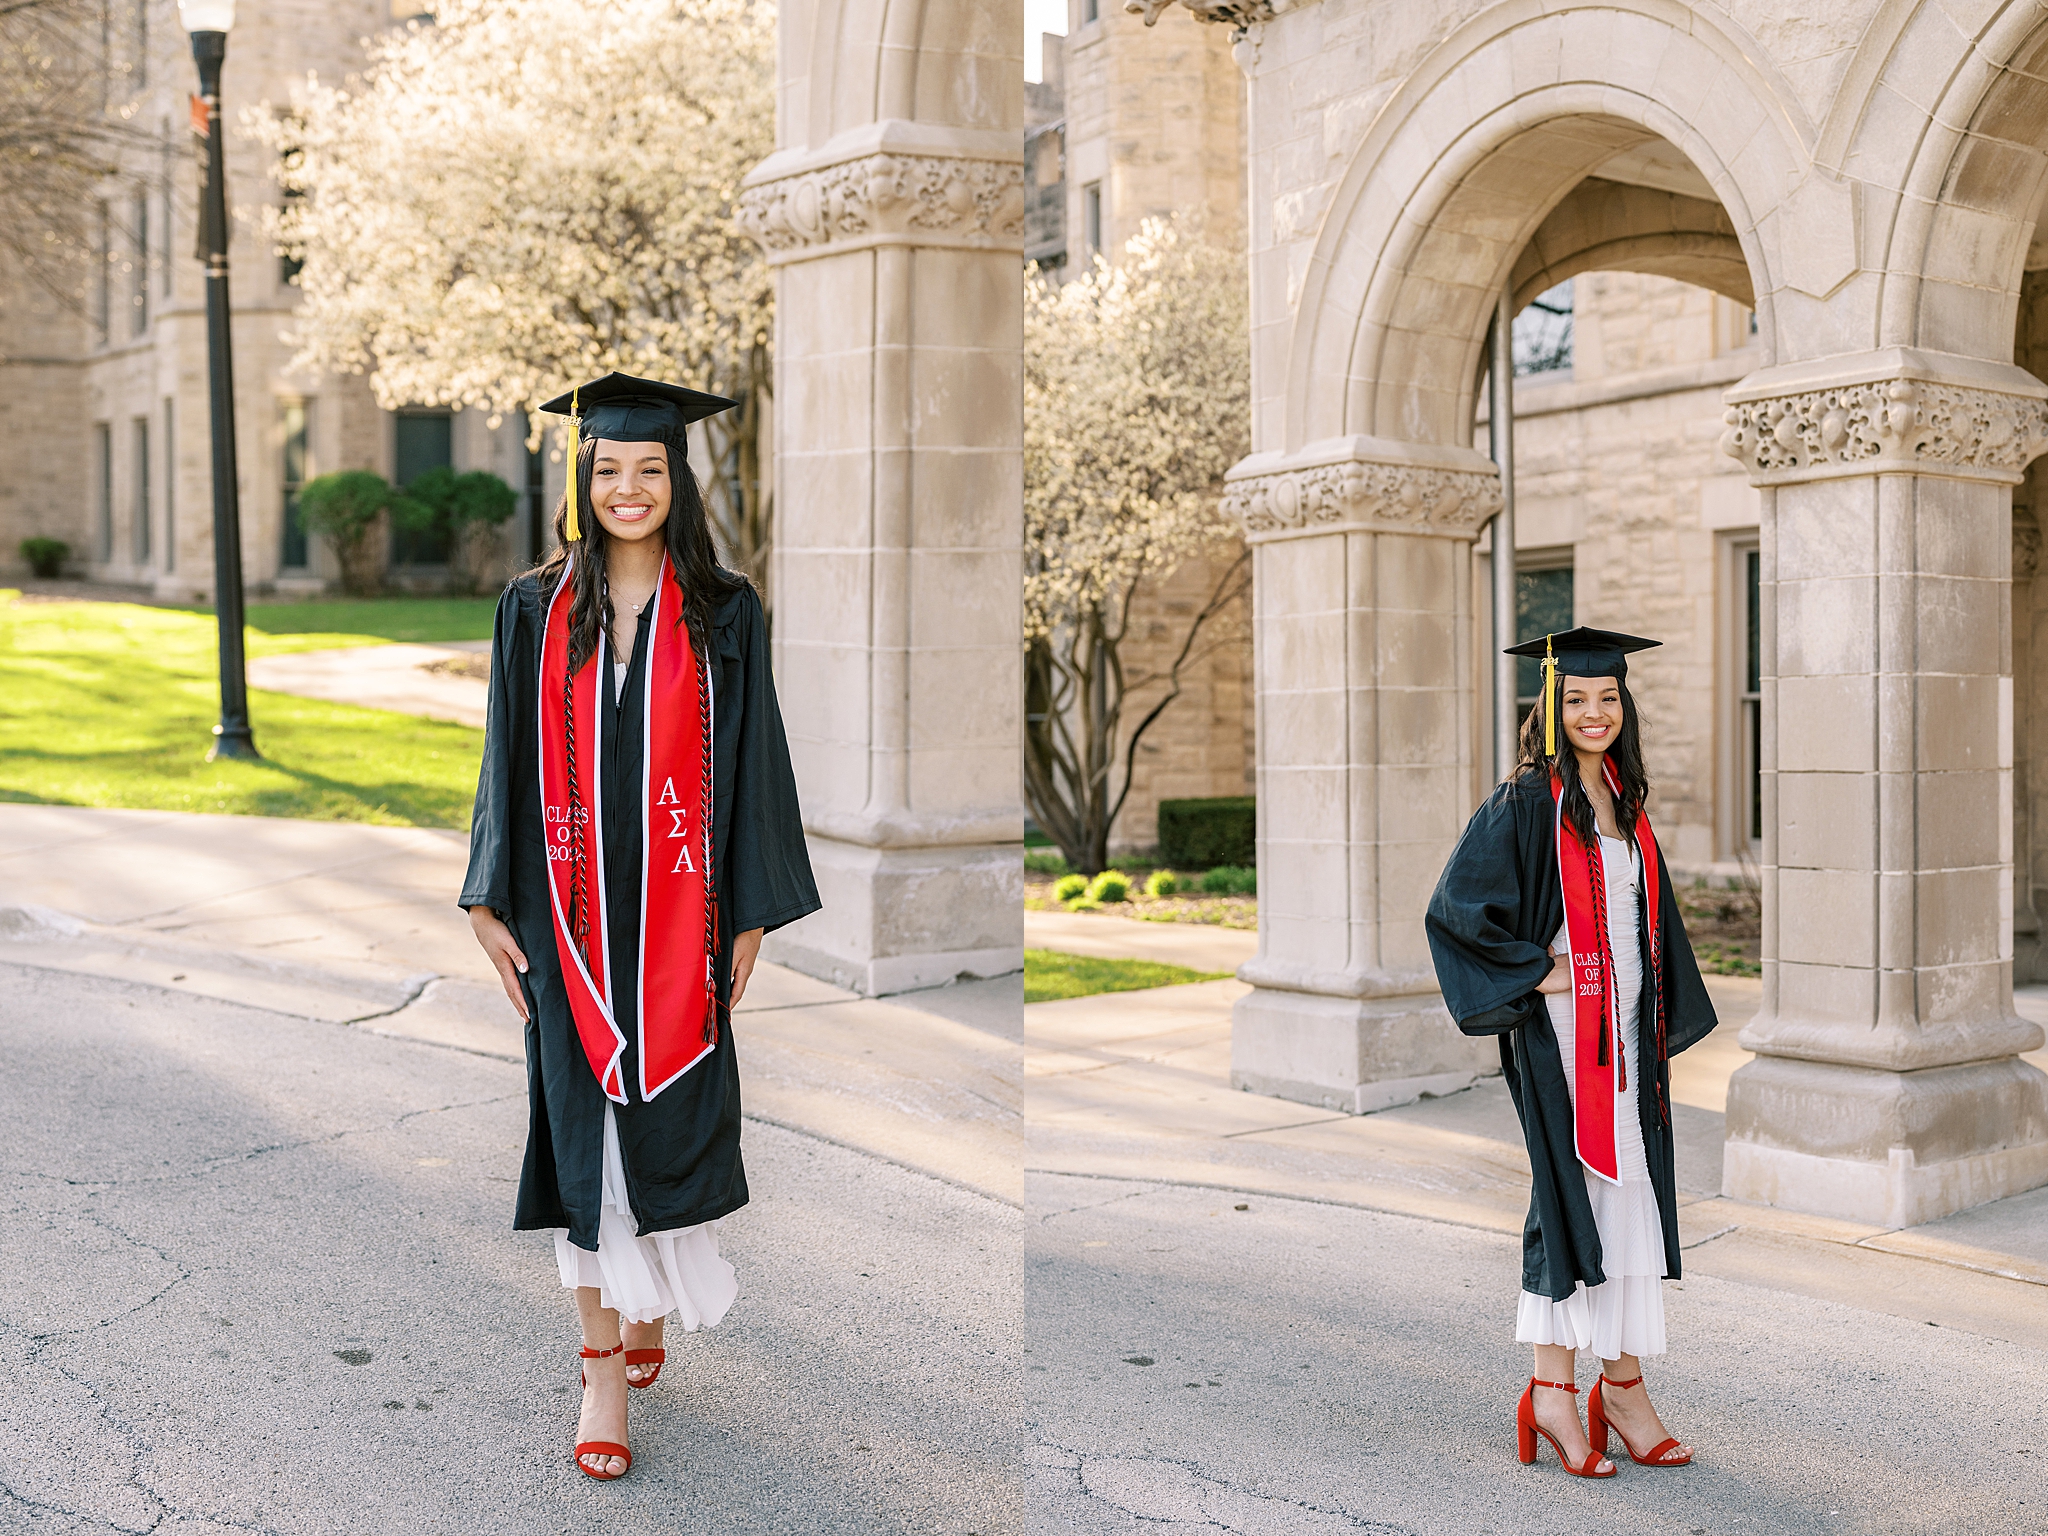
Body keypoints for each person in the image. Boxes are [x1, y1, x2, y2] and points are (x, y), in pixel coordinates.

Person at [460, 372, 820, 1481]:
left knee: (664, 1126)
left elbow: (755, 763)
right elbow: (503, 763)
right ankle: (602, 1368)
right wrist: (485, 894)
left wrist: (750, 916)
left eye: (649, 469)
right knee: (584, 1137)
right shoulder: (535, 609)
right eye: (607, 468)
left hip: (681, 926)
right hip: (564, 919)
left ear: (678, 479)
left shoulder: (724, 612)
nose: (627, 488)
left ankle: (649, 1296)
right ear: (583, 477)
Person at [1425, 627, 1716, 1479]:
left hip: (1627, 1035)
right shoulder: (1525, 801)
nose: (1594, 713)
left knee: (1625, 1197)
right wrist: (1537, 971)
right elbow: (1455, 911)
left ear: (1624, 708)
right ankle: (1560, 1391)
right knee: (1572, 1193)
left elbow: (1645, 920)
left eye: (1608, 698)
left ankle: (1614, 1387)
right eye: (1577, 698)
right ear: (1550, 707)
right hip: (1564, 1037)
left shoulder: (1625, 799)